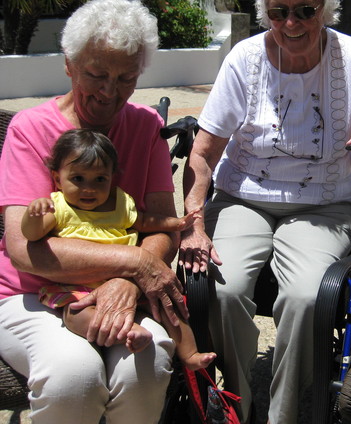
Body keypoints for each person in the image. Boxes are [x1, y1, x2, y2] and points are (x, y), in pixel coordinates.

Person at [178, 0, 351, 423]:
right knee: (222, 286)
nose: (292, 23)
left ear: (327, 7)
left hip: (323, 204)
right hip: (243, 197)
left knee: (305, 296)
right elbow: (202, 153)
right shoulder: (245, 58)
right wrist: (193, 223)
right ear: (267, 13)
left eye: (306, 10)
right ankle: (239, 403)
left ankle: (285, 415)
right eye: (279, 12)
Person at [0, 0, 188, 423]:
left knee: (149, 362)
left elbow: (162, 224)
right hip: (30, 293)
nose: (109, 91)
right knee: (73, 376)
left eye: (126, 77)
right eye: (96, 74)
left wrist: (131, 279)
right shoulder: (30, 130)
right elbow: (24, 249)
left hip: (123, 288)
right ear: (69, 64)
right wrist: (134, 264)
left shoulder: (146, 127)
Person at [21, 129, 215, 369]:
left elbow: (145, 222)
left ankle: (190, 354)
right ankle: (130, 333)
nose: (89, 188)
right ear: (58, 179)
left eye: (99, 179)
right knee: (75, 314)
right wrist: (33, 213)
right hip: (77, 286)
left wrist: (176, 223)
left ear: (112, 178)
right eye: (78, 179)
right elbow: (31, 235)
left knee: (169, 306)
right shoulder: (59, 208)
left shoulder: (120, 203)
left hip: (126, 281)